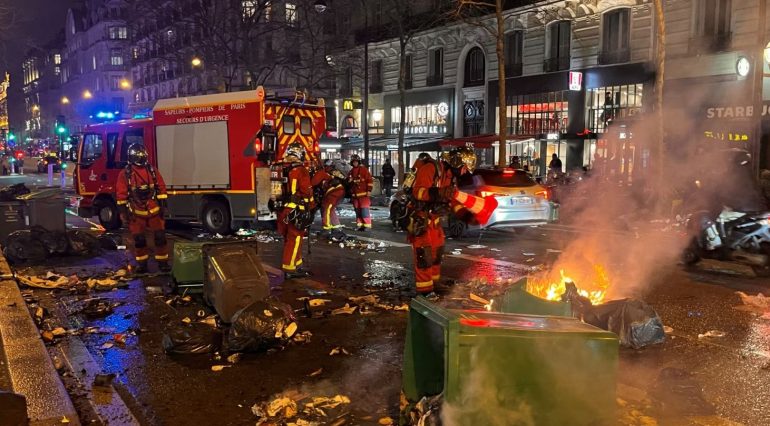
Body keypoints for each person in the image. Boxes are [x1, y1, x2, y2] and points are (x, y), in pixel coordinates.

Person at [407, 147, 476, 297]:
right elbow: (417, 192)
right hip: (421, 218)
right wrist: (438, 193)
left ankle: (434, 284)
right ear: (457, 163)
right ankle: (424, 291)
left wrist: (466, 215)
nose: (465, 172)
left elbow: (452, 199)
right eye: (464, 168)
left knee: (436, 253)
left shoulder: (451, 177)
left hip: (434, 220)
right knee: (423, 255)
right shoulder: (431, 169)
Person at [116, 143, 169, 274]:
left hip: (153, 210)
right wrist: (123, 212)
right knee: (139, 240)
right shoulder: (126, 174)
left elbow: (161, 187)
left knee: (160, 237)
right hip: (136, 212)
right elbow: (121, 194)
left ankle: (163, 263)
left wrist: (163, 205)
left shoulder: (152, 171)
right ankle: (142, 264)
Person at [277, 142, 314, 279]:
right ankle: (289, 268)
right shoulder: (301, 170)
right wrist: (311, 206)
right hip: (295, 211)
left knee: (289, 238)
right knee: (295, 238)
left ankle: (297, 263)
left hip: (282, 210)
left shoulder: (281, 167)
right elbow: (306, 191)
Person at [311, 159, 346, 240]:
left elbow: (312, 183)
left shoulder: (322, 173)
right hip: (339, 192)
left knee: (326, 209)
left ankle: (327, 229)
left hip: (333, 193)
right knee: (331, 209)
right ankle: (336, 227)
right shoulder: (335, 172)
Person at [347, 154, 373, 231]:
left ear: (358, 162)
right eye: (354, 162)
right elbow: (348, 182)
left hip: (363, 195)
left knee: (364, 210)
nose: (355, 163)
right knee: (357, 211)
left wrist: (369, 190)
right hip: (355, 196)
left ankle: (367, 226)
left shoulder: (363, 170)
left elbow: (370, 181)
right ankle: (360, 225)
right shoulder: (351, 171)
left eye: (356, 162)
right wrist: (349, 181)